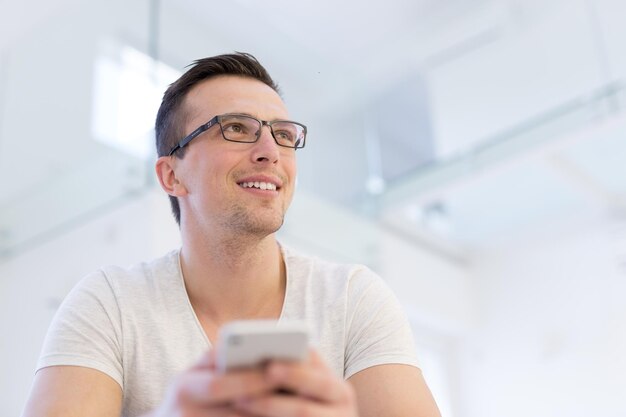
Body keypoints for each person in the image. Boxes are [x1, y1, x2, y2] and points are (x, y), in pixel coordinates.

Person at [22, 52, 441, 417]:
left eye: (283, 134)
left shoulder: (353, 299)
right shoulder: (109, 303)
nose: (271, 151)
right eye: (237, 128)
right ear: (172, 175)